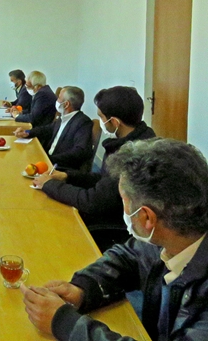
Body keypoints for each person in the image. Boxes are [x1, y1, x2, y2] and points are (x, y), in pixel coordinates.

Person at [22, 138, 208, 341]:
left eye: (123, 201)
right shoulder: (175, 235)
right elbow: (129, 257)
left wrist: (64, 323)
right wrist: (84, 288)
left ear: (147, 217)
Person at [32, 86, 155, 233]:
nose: (100, 122)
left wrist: (49, 185)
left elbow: (93, 201)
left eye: (101, 117)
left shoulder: (129, 155)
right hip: (108, 208)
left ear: (115, 122)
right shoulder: (136, 139)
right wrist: (67, 176)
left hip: (116, 224)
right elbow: (105, 180)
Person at [15, 86, 93, 170]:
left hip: (59, 167)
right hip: (48, 158)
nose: (57, 101)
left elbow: (79, 151)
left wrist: (48, 158)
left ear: (66, 104)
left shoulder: (83, 122)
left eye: (59, 98)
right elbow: (47, 129)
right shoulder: (63, 117)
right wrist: (27, 132)